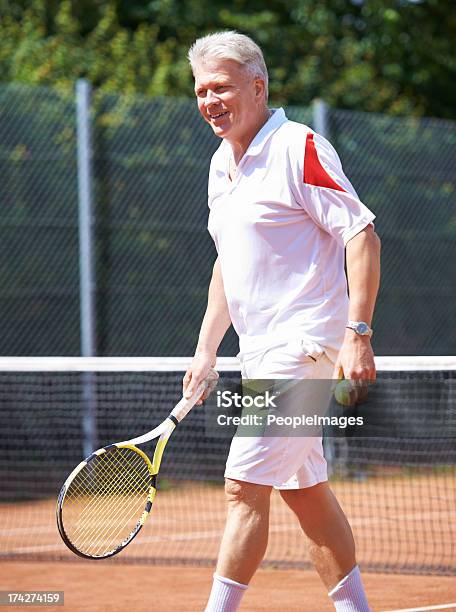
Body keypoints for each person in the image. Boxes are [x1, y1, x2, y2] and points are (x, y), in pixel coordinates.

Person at [183, 31, 381, 612]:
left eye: (221, 87)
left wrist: (358, 334)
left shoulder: (299, 147)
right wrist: (205, 352)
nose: (209, 100)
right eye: (201, 91)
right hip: (261, 355)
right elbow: (228, 265)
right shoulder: (221, 166)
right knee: (307, 493)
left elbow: (361, 232)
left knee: (243, 486)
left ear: (258, 86)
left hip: (306, 349)